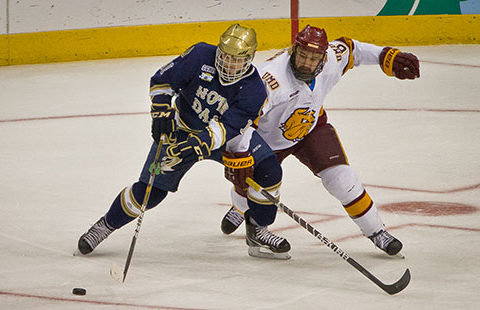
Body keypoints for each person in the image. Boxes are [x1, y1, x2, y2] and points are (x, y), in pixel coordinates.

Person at [76, 24, 291, 260]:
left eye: (236, 60)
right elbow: (163, 80)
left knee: (269, 170)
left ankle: (258, 229)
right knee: (151, 191)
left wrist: (198, 144)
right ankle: (105, 225)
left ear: (249, 59)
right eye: (225, 56)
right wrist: (160, 110)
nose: (228, 64)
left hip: (229, 141)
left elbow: (229, 127)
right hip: (180, 129)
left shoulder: (254, 90)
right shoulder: (199, 55)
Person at [220, 25, 420, 256]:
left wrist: (386, 56)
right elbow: (243, 120)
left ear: (323, 58)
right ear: (293, 50)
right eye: (302, 55)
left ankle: (377, 232)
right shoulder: (270, 80)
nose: (306, 62)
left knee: (342, 179)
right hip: (266, 140)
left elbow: (353, 48)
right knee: (252, 187)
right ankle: (241, 209)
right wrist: (239, 156)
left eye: (313, 58)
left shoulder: (332, 59)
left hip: (311, 128)